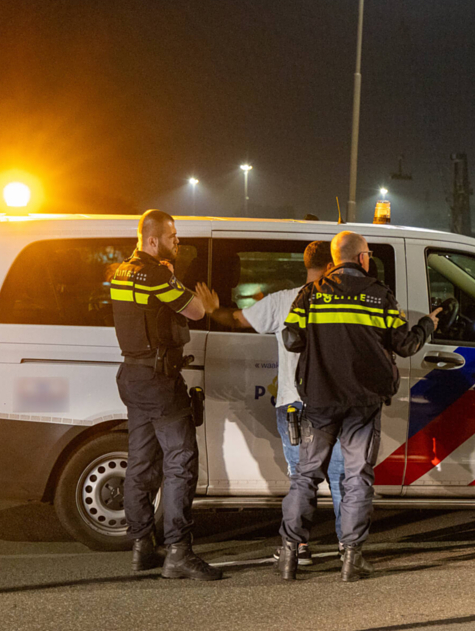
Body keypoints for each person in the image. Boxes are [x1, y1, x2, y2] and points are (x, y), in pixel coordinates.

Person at [276, 231, 441, 582]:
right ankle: (351, 558)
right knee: (356, 477)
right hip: (363, 403)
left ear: (335, 259)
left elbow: (291, 339)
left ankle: (289, 555)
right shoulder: (379, 296)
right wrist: (427, 325)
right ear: (363, 257)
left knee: (307, 475)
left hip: (320, 399)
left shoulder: (312, 293)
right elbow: (406, 345)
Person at [194, 241, 345, 565]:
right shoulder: (342, 302)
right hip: (331, 405)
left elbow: (235, 319)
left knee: (301, 478)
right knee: (340, 476)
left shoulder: (282, 300)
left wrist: (210, 310)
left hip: (293, 404)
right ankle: (349, 547)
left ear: (306, 265)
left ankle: (296, 548)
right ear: (331, 265)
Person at [110, 209, 221, 581]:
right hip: (159, 380)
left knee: (141, 461)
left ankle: (142, 544)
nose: (178, 242)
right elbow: (193, 310)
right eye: (173, 237)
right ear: (153, 239)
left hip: (133, 375)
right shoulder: (156, 274)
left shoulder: (122, 271)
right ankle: (178, 551)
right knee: (181, 460)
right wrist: (198, 297)